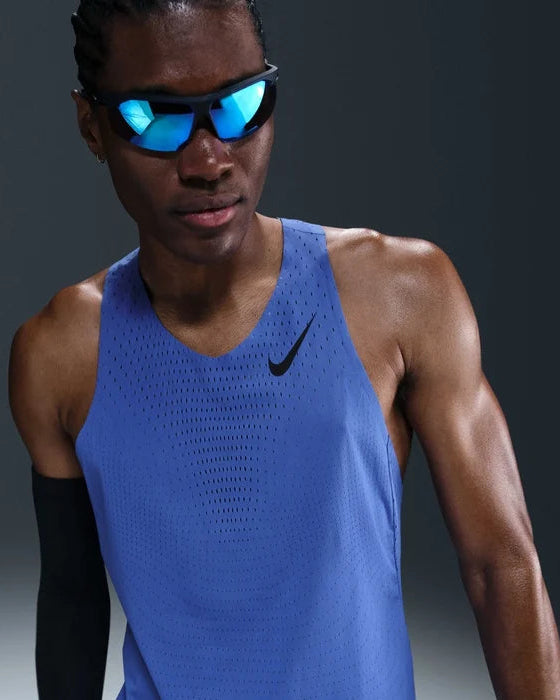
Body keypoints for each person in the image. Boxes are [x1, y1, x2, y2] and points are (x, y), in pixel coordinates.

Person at [7, 0, 560, 698]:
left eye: (239, 106)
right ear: (92, 125)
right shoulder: (59, 351)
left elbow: (499, 564)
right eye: (156, 118)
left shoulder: (401, 293)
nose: (209, 160)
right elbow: (71, 599)